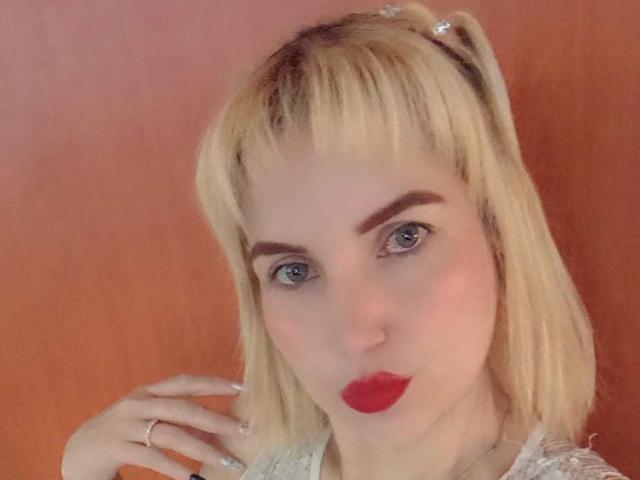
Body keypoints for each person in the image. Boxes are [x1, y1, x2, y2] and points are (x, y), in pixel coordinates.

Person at [61, 2, 631, 480]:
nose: (355, 334)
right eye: (294, 271)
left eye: (405, 237)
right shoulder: (248, 459)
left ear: (496, 230)